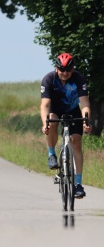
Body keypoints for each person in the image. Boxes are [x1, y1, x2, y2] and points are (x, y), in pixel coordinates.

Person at [40, 53, 92, 199]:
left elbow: (85, 104)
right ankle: (51, 154)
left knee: (76, 142)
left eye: (68, 70)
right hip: (55, 110)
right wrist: (45, 123)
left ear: (73, 69)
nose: (64, 73)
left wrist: (86, 121)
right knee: (51, 121)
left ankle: (78, 184)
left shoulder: (78, 79)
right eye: (61, 70)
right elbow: (45, 105)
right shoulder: (49, 79)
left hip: (73, 110)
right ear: (56, 68)